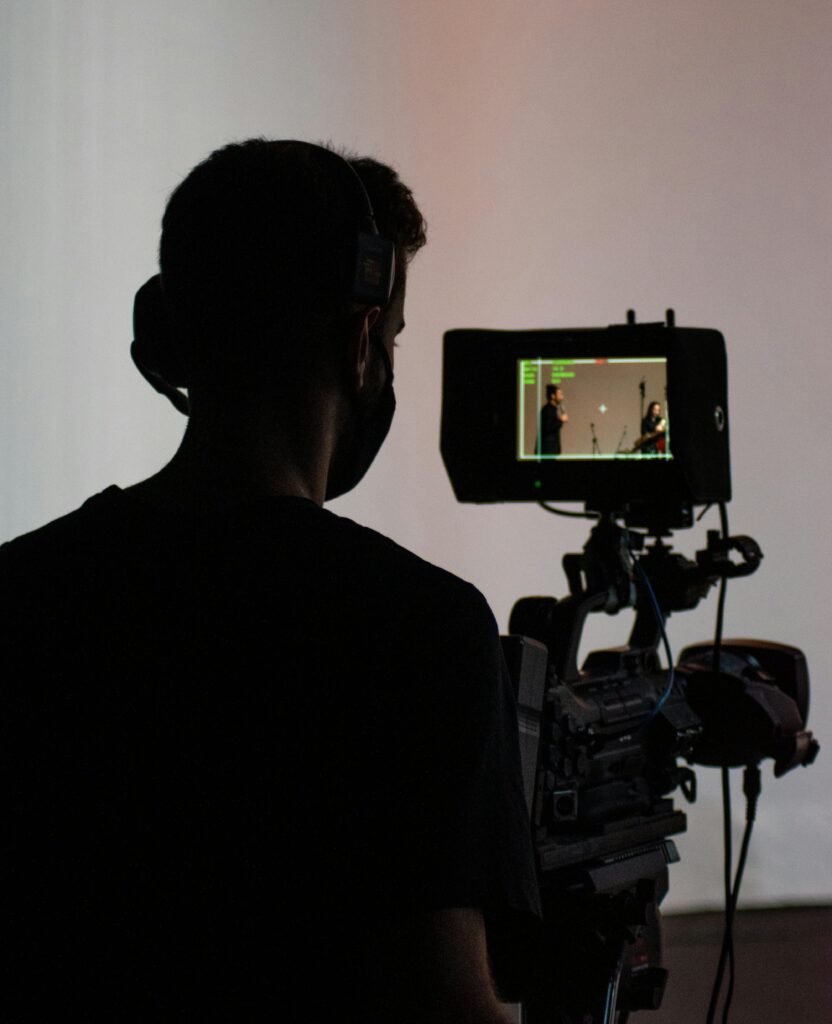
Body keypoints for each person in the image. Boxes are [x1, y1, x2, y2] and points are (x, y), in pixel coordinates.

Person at [0, 140, 540, 1021]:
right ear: (364, 336)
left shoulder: (20, 593)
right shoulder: (420, 629)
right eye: (393, 335)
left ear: (170, 330)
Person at [537, 384, 568, 455]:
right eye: (560, 394)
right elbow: (548, 428)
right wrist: (561, 420)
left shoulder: (552, 409)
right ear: (553, 396)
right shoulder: (547, 410)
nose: (562, 397)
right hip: (547, 451)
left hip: (551, 451)